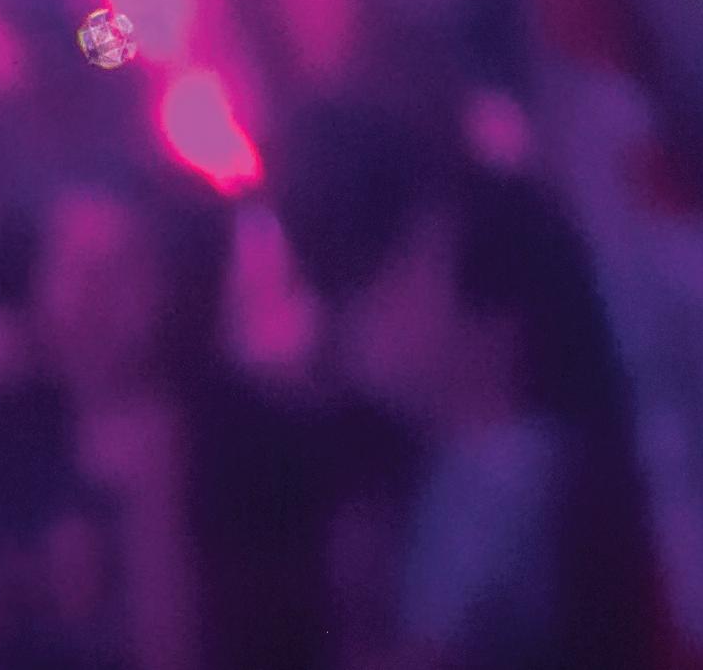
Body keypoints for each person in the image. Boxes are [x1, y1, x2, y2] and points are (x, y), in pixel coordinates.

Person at [277, 114, 653, 670]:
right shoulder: (456, 467)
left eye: (410, 275)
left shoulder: (515, 471)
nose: (376, 296)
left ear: (500, 325)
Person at [0, 178, 319, 670]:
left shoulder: (248, 444)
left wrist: (153, 507)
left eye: (121, 270)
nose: (90, 298)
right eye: (72, 266)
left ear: (174, 285)